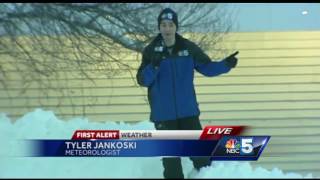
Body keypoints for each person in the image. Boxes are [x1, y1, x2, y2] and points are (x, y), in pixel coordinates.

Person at [136, 8, 239, 179]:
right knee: (172, 166)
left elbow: (207, 67)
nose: (167, 29)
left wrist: (226, 64)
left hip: (188, 113)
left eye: (170, 25)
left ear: (176, 27)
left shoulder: (188, 48)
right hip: (164, 117)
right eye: (163, 25)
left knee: (202, 159)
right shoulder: (151, 51)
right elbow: (143, 80)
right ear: (159, 27)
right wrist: (154, 65)